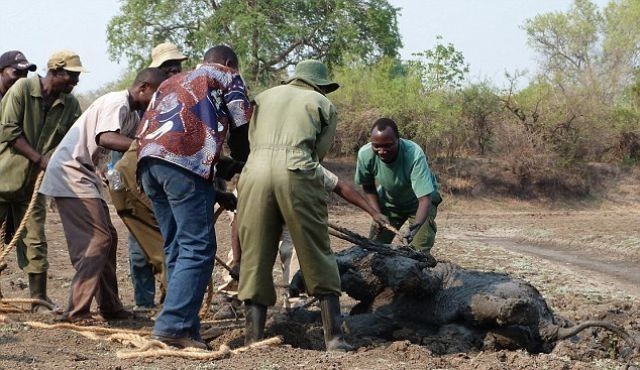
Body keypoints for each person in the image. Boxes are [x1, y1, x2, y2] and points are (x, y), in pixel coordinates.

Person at [137, 45, 252, 349]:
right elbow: (241, 127)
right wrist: (246, 161)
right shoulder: (227, 75)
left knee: (177, 245)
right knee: (198, 246)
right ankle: (173, 325)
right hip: (184, 163)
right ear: (229, 62)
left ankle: (185, 327)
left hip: (148, 163)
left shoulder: (171, 80)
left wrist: (216, 190)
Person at [236, 59, 352, 351]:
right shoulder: (322, 103)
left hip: (255, 171)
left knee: (256, 253)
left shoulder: (262, 97)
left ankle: (253, 338)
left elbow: (249, 140)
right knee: (315, 250)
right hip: (297, 170)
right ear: (320, 85)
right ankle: (335, 339)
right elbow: (319, 153)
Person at [39, 68, 167, 323]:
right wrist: (146, 146)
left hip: (84, 173)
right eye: (156, 94)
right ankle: (77, 310)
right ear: (143, 88)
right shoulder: (116, 102)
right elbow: (106, 138)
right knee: (97, 239)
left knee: (109, 237)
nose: (158, 101)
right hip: (70, 173)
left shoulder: (133, 112)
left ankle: (109, 306)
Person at [0, 50, 85, 312]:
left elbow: (74, 140)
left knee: (35, 239)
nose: (75, 82)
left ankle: (39, 299)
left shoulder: (69, 104)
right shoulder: (23, 88)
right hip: (3, 178)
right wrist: (41, 159)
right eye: (72, 76)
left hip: (33, 187)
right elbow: (10, 131)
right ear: (55, 71)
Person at [113, 41, 188, 310]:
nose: (172, 72)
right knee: (140, 248)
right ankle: (144, 305)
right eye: (167, 68)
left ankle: (172, 302)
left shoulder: (186, 99)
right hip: (140, 181)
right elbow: (122, 145)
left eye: (176, 67)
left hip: (173, 182)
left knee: (175, 243)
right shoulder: (141, 103)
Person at [355, 118, 442, 255]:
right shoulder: (365, 154)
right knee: (373, 249)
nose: (382, 151)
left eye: (388, 145)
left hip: (418, 205)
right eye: (376, 146)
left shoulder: (413, 153)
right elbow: (368, 186)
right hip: (389, 203)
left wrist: (416, 226)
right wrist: (377, 213)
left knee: (418, 254)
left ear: (398, 140)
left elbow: (425, 198)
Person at [0, 50, 37, 246]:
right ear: (1, 71)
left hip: (16, 179)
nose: (22, 79)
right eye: (16, 73)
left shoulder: (26, 103)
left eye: (25, 75)